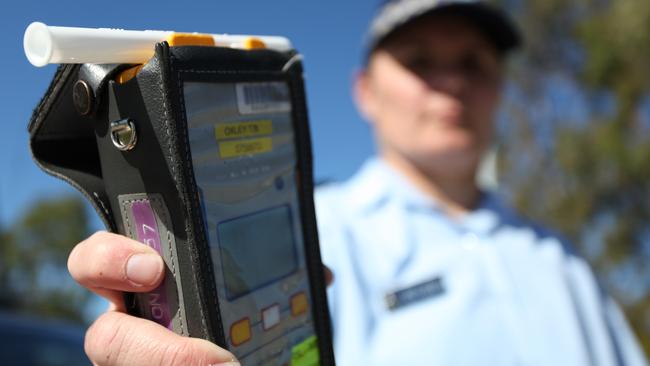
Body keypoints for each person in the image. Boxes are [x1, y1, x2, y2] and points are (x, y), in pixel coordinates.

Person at [66, 0, 647, 365]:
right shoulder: (317, 232)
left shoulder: (563, 259)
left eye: (473, 63)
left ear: (500, 88)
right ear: (364, 91)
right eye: (419, 61)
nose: (450, 83)